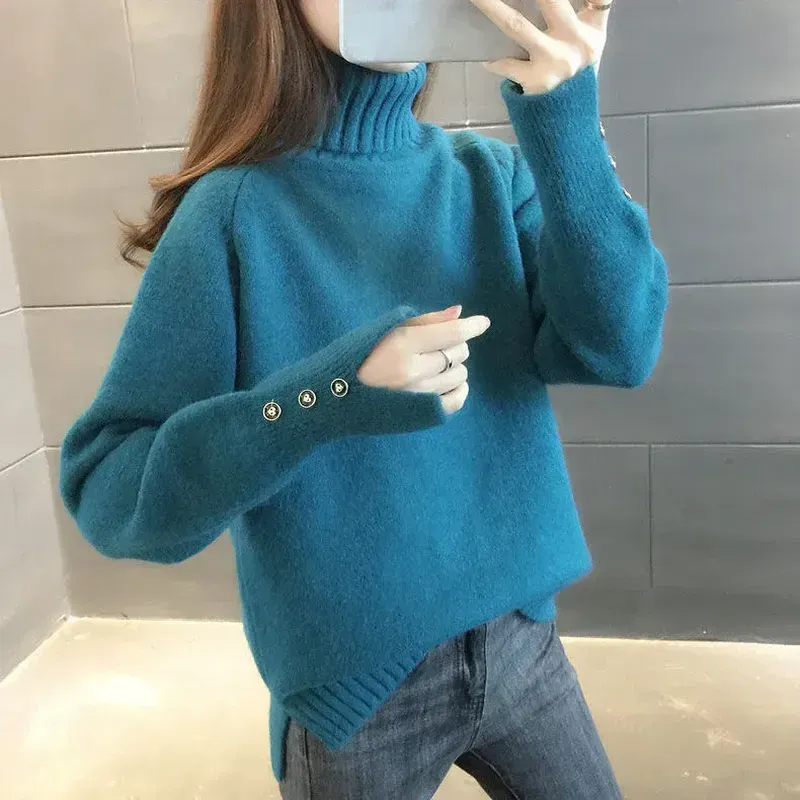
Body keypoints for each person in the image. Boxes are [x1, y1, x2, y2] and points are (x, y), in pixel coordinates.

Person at [60, 0, 668, 796]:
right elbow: (110, 488)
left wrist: (568, 123)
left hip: (523, 641)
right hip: (357, 693)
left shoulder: (490, 177)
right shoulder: (232, 214)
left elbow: (619, 349)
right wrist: (328, 396)